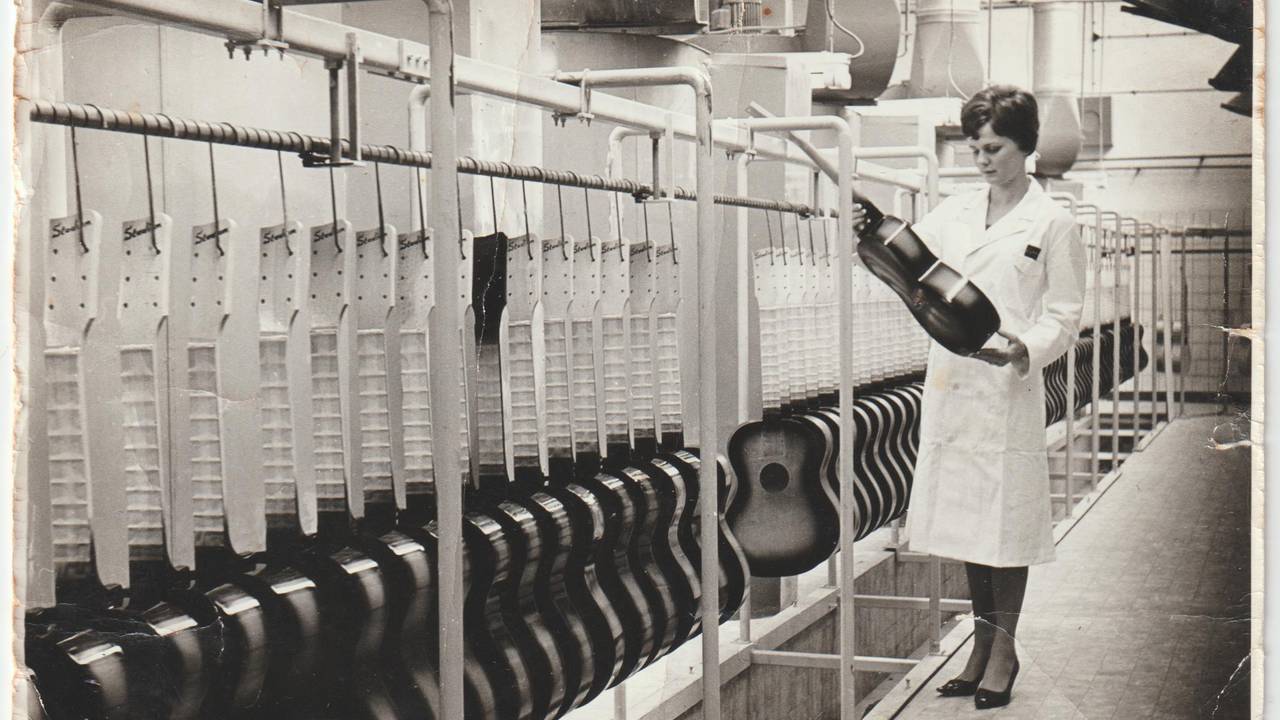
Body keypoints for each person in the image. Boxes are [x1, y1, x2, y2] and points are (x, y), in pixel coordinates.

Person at [851, 85, 1086, 710]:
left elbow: (1065, 315)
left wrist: (1023, 349)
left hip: (1007, 387)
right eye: (975, 147)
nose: (982, 159)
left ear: (1026, 146)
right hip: (954, 385)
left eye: (995, 147)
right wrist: (864, 231)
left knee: (1005, 528)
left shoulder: (1054, 221)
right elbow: (903, 264)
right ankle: (980, 648)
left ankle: (1002, 652)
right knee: (971, 531)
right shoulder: (953, 212)